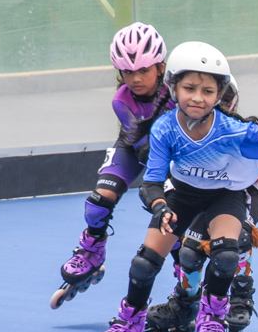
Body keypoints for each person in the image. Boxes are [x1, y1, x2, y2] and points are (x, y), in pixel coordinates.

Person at [90, 41, 258, 332]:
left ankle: (216, 311)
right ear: (174, 89)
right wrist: (160, 206)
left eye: (208, 92)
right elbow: (152, 181)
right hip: (183, 196)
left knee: (227, 254)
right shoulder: (166, 128)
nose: (198, 98)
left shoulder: (233, 129)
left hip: (230, 195)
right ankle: (132, 322)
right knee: (147, 262)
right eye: (190, 89)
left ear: (219, 96)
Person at [51, 23, 174, 310]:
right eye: (128, 72)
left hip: (173, 155)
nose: (135, 78)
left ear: (160, 68)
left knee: (173, 223)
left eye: (143, 70)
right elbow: (143, 149)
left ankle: (188, 290)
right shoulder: (121, 100)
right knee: (98, 203)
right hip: (136, 147)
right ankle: (92, 251)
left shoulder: (177, 92)